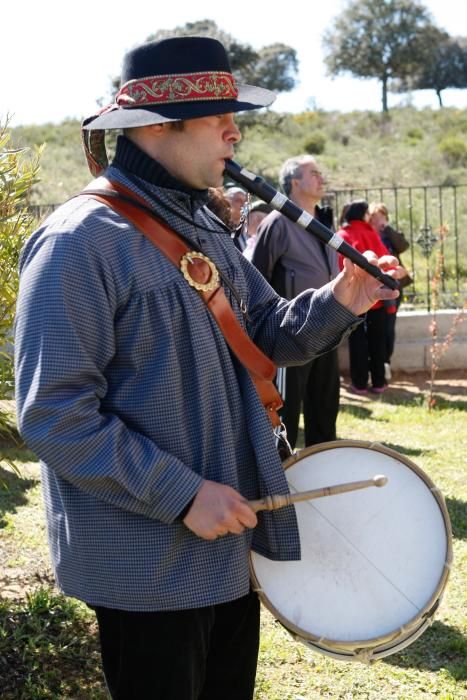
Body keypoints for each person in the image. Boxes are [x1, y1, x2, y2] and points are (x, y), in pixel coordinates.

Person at [14, 37, 403, 700]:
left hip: (227, 552)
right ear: (159, 126)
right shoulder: (78, 242)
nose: (234, 130)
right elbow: (54, 415)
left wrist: (345, 297)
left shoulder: (204, 227)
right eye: (216, 115)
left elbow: (264, 334)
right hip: (148, 568)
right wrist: (183, 493)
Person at [251, 155, 340, 449]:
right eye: (313, 173)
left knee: (324, 407)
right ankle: (282, 478)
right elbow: (256, 276)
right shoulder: (277, 223)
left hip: (327, 332)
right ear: (294, 182)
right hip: (291, 336)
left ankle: (323, 467)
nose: (320, 178)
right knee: (286, 415)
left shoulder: (325, 225)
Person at [337, 199, 392, 394]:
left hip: (351, 301)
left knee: (356, 342)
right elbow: (387, 262)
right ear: (363, 215)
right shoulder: (371, 234)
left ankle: (359, 383)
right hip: (375, 299)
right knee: (378, 341)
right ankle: (379, 382)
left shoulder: (341, 235)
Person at [369, 202, 412, 381]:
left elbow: (403, 246)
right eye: (375, 218)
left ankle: (386, 361)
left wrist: (388, 230)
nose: (379, 221)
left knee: (389, 327)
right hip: (373, 289)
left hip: (393, 289)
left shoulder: (391, 235)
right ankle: (376, 365)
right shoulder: (368, 236)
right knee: (375, 330)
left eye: (382, 217)